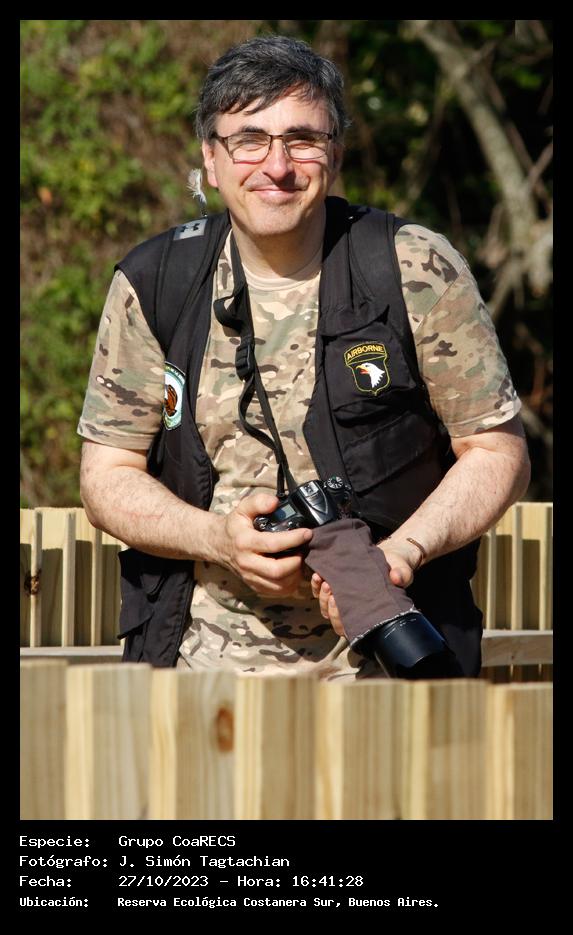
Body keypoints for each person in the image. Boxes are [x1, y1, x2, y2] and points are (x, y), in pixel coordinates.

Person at [78, 34, 530, 679]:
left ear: (334, 155)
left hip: (390, 668)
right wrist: (217, 539)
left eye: (302, 139)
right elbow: (107, 473)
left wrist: (403, 552)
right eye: (248, 140)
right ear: (211, 159)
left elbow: (496, 451)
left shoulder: (413, 267)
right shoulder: (156, 281)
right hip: (197, 674)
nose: (277, 165)